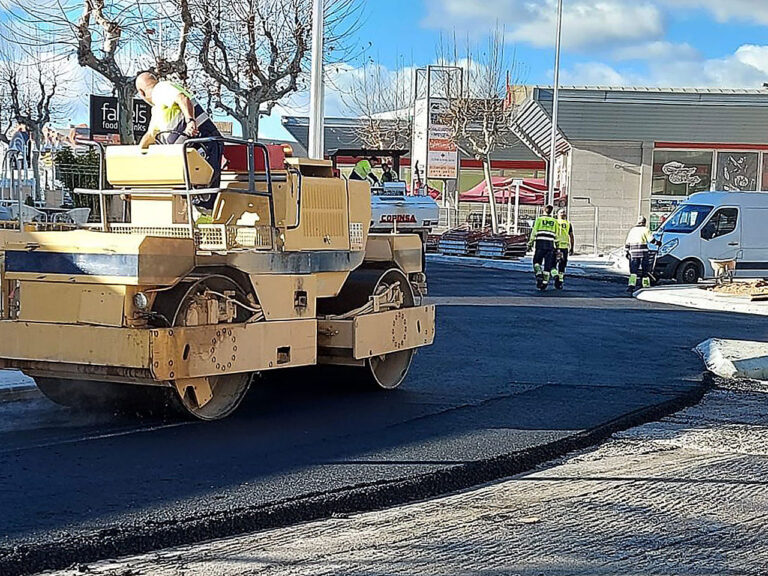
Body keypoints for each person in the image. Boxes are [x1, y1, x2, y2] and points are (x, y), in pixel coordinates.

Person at [135, 72, 223, 209]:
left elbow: (182, 98)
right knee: (194, 193)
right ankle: (197, 212)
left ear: (141, 92)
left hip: (203, 142)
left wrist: (190, 121)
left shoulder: (161, 88)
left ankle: (204, 210)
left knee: (205, 193)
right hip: (190, 151)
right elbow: (150, 135)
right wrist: (137, 155)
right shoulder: (157, 109)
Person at [528, 204, 559, 291]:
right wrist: (557, 247)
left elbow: (534, 232)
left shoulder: (539, 219)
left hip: (540, 244)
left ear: (543, 210)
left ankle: (539, 275)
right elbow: (556, 235)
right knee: (547, 266)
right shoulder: (554, 221)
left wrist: (530, 243)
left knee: (536, 262)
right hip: (550, 245)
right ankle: (544, 284)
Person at [625, 215, 654, 293]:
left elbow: (627, 243)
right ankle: (645, 285)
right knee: (645, 270)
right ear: (644, 222)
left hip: (633, 253)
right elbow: (651, 240)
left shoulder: (632, 230)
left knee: (633, 271)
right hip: (643, 253)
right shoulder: (646, 230)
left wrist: (627, 252)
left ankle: (631, 286)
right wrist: (658, 243)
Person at [554, 208, 575, 290]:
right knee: (562, 265)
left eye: (563, 212)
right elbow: (571, 236)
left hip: (556, 246)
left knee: (553, 264)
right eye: (562, 212)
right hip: (564, 247)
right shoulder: (568, 224)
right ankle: (560, 281)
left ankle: (556, 277)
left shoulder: (555, 222)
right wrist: (572, 247)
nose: (563, 213)